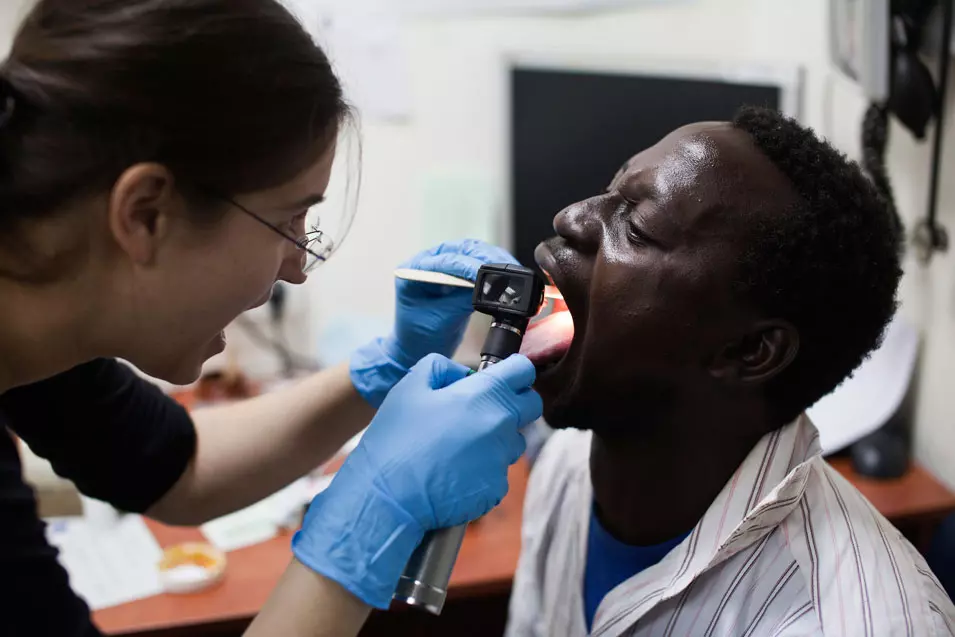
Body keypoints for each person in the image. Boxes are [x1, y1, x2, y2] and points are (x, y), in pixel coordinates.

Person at [0, 2, 542, 636]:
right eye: (286, 220)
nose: (296, 268)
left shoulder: (37, 324)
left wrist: (390, 364)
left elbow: (176, 467)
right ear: (146, 214)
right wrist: (370, 516)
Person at [505, 107, 955, 636]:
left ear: (750, 350)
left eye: (639, 225)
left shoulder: (849, 622)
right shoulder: (565, 467)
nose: (571, 217)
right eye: (609, 190)